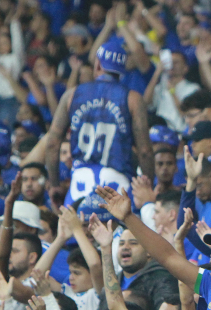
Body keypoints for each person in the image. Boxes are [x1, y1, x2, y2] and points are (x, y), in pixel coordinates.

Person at [45, 40, 154, 204]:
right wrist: (148, 184)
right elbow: (144, 150)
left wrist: (54, 184)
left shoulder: (72, 94)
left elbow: (52, 143)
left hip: (80, 183)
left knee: (72, 228)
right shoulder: (133, 99)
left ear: (97, 65)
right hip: (117, 183)